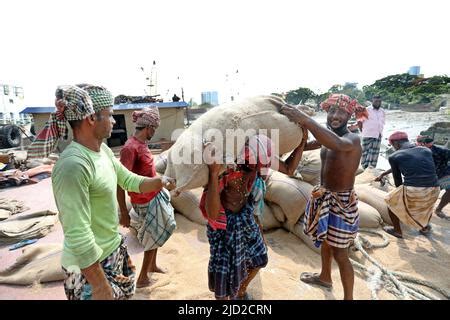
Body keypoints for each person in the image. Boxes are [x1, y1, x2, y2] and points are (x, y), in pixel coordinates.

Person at [51, 85, 173, 300]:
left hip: (112, 251)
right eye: (109, 114)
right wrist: (99, 285)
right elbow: (77, 234)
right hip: (89, 268)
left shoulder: (103, 151)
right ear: (91, 118)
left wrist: (159, 182)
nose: (115, 120)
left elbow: (128, 179)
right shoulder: (74, 166)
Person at [281, 93, 369, 300]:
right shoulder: (327, 137)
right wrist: (297, 135)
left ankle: (349, 298)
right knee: (326, 241)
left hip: (341, 202)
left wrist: (306, 120)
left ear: (349, 116)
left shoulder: (352, 139)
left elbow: (337, 144)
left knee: (340, 253)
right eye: (331, 111)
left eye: (340, 112)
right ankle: (325, 277)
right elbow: (310, 143)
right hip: (325, 196)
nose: (335, 116)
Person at [201, 131, 308, 300]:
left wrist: (301, 144)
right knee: (224, 274)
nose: (255, 168)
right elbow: (213, 214)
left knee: (259, 258)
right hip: (224, 226)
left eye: (259, 165)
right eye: (251, 164)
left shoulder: (258, 160)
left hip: (245, 217)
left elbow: (289, 169)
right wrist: (213, 174)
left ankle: (240, 292)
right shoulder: (226, 169)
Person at [117, 107, 176, 288]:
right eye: (154, 128)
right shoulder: (130, 148)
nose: (154, 132)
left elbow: (148, 174)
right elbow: (120, 182)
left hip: (154, 196)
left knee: (158, 232)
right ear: (148, 127)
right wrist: (124, 212)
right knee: (152, 236)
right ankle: (143, 277)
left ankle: (152, 266)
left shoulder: (142, 146)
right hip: (144, 201)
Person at [377, 132, 440, 238]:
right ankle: (424, 227)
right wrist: (384, 173)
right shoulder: (425, 150)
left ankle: (397, 231)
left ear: (396, 143)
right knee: (427, 206)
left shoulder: (394, 156)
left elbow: (398, 182)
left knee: (390, 202)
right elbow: (416, 164)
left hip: (415, 189)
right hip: (435, 188)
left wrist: (401, 198)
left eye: (392, 146)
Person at [416, 135, 449, 218]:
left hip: (442, 174)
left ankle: (438, 209)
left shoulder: (440, 151)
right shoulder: (414, 151)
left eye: (430, 144)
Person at [359, 95, 385, 169]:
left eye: (379, 101)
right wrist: (362, 131)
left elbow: (382, 122)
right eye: (376, 101)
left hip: (378, 135)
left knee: (375, 154)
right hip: (367, 134)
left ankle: (372, 169)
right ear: (372, 101)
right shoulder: (366, 110)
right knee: (365, 153)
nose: (378, 103)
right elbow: (360, 122)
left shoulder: (382, 111)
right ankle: (364, 168)